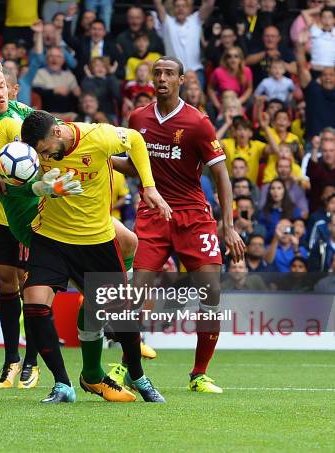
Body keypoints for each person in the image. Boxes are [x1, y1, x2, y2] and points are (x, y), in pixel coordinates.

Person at [112, 56, 245, 394]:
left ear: (181, 80)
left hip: (192, 216)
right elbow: (133, 166)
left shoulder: (198, 122)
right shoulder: (137, 118)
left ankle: (199, 373)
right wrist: (102, 157)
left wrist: (228, 225)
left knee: (211, 289)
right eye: (157, 73)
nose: (162, 78)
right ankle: (128, 366)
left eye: (169, 73)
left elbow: (221, 174)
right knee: (135, 292)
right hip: (153, 214)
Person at [18, 109, 170, 403]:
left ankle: (136, 376)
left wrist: (148, 187)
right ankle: (62, 385)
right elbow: (15, 182)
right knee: (35, 303)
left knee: (120, 315)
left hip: (96, 240)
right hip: (51, 236)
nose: (45, 155)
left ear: (57, 132)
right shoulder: (32, 150)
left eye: (46, 149)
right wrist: (42, 187)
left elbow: (136, 140)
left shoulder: (98, 136)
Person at [0, 58, 79, 389]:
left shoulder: (18, 108)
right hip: (7, 214)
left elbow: (53, 127)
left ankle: (31, 360)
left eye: (2, 85)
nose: (0, 93)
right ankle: (11, 358)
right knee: (5, 283)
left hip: (39, 214)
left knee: (34, 285)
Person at [153, 0, 215, 87]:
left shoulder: (195, 20)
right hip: (174, 72)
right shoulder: (167, 22)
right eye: (177, 6)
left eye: (183, 6)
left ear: (189, 9)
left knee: (197, 98)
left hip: (195, 71)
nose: (180, 9)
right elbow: (157, 3)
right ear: (173, 9)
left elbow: (210, 3)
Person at [32, 46, 81, 116]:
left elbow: (76, 94)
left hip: (67, 113)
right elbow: (36, 90)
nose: (54, 59)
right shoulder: (40, 73)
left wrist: (75, 92)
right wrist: (54, 90)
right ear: (46, 59)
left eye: (58, 56)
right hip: (46, 113)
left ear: (63, 60)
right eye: (51, 56)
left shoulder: (69, 76)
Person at [219, 116, 268, 184]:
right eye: (239, 129)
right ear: (235, 133)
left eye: (245, 129)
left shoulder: (257, 146)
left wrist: (266, 128)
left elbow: (275, 149)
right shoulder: (228, 143)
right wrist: (227, 124)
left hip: (250, 189)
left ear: (251, 133)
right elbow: (213, 143)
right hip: (230, 186)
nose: (242, 132)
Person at [207, 47, 253, 111]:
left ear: (240, 59)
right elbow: (210, 88)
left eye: (236, 56)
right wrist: (218, 105)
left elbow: (249, 88)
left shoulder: (246, 71)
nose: (233, 59)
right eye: (229, 56)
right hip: (222, 102)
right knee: (209, 106)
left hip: (239, 100)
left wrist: (240, 101)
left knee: (251, 102)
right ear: (225, 59)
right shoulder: (218, 72)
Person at [258, 178, 301, 243]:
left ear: (284, 191)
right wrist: (277, 231)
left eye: (279, 188)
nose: (276, 191)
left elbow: (298, 231)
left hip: (290, 246)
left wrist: (281, 230)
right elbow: (262, 235)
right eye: (273, 188)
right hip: (269, 245)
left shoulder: (294, 210)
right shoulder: (264, 212)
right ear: (269, 192)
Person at [80, 57, 120, 123]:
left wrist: (111, 75)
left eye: (103, 66)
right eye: (97, 66)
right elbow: (93, 94)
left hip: (109, 115)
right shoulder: (87, 80)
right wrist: (90, 78)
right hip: (91, 115)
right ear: (91, 69)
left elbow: (117, 94)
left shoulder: (110, 79)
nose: (100, 68)